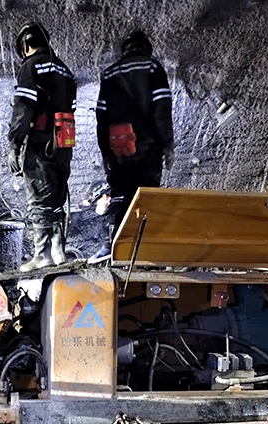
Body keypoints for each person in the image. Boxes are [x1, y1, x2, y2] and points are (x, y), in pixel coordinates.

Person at [92, 30, 175, 262]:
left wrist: (106, 152)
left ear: (125, 50)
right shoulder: (153, 68)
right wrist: (167, 144)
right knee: (147, 198)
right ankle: (144, 251)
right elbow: (162, 109)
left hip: (119, 150)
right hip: (148, 147)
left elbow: (101, 117)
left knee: (120, 196)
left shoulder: (109, 73)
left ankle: (116, 248)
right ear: (146, 48)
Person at [8, 21, 77, 271]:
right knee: (57, 196)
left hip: (40, 141)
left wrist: (15, 143)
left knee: (39, 197)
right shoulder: (66, 71)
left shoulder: (31, 66)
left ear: (25, 45)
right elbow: (70, 108)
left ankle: (42, 254)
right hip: (63, 143)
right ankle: (59, 252)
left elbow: (24, 108)